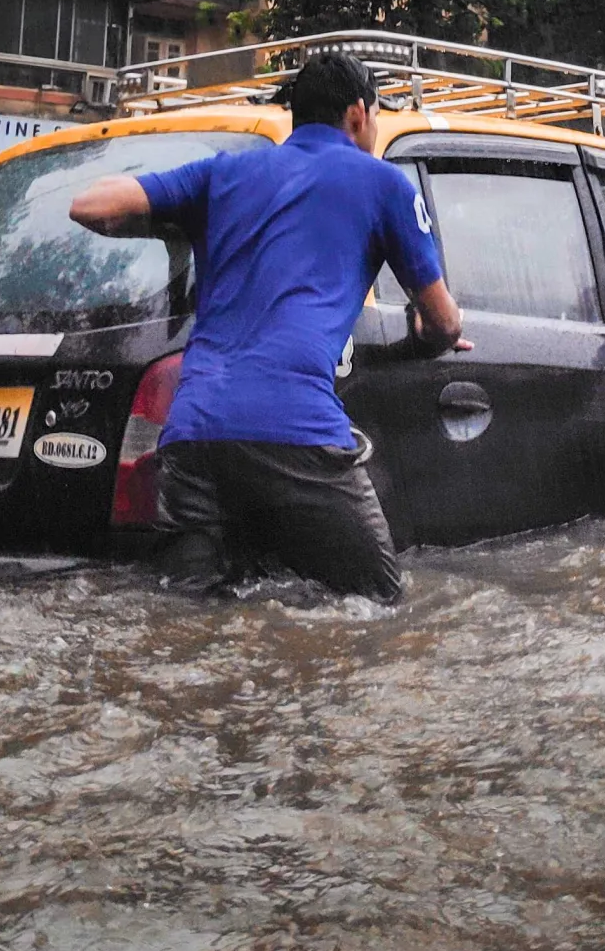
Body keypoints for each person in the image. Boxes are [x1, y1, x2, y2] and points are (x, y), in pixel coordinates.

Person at [69, 49, 463, 601]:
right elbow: (443, 321)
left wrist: (174, 227)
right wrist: (429, 335)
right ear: (358, 113)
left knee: (190, 618)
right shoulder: (384, 185)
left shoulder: (223, 173)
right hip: (296, 430)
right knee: (379, 608)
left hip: (192, 435)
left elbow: (89, 205)